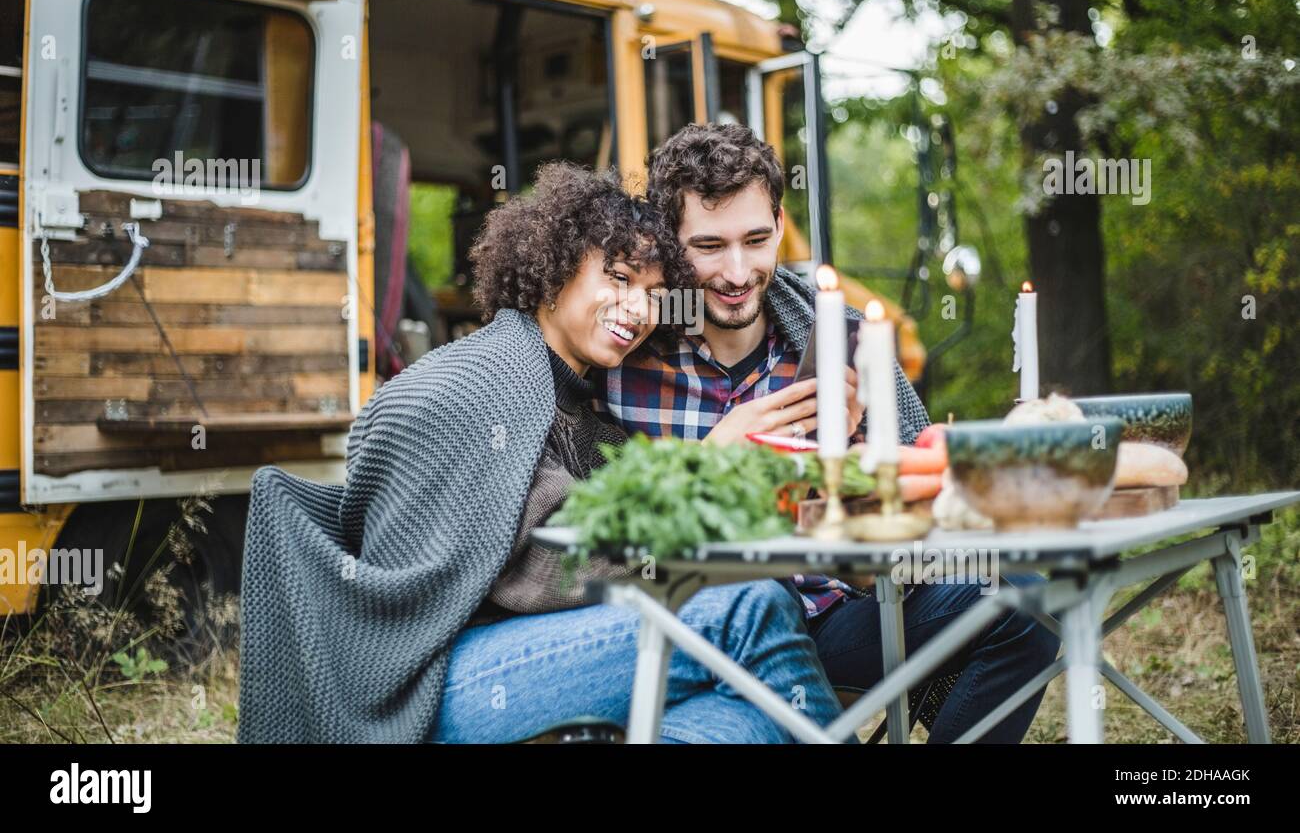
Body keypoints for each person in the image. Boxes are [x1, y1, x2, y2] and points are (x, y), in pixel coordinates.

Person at [238, 163, 842, 744]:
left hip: (530, 654)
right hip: (427, 684)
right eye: (621, 278)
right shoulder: (482, 378)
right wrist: (704, 471)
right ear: (554, 271)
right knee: (750, 604)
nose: (638, 310)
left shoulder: (583, 407)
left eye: (655, 294)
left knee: (741, 718)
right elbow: (562, 561)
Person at [594, 123, 1060, 743]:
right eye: (709, 246)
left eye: (756, 240)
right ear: (669, 242)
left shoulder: (843, 335)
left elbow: (924, 498)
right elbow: (594, 538)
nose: (738, 272)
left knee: (1024, 601)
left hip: (832, 617)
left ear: (781, 224)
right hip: (697, 628)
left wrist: (865, 470)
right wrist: (708, 465)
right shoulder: (620, 354)